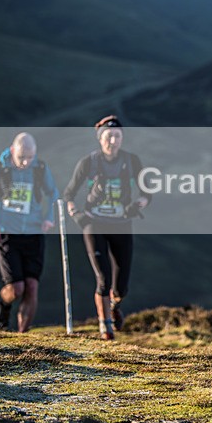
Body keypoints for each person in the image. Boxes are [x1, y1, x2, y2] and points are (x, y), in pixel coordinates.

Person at [63, 115, 150, 340]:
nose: (113, 141)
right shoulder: (88, 163)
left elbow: (147, 191)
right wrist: (78, 216)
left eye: (117, 136)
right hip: (94, 224)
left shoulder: (132, 161)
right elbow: (69, 194)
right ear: (100, 139)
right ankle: (106, 327)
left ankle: (115, 305)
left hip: (122, 224)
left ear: (122, 138)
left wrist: (138, 204)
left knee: (121, 285)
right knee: (103, 278)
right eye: (109, 136)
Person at [0, 132, 60, 332]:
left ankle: (23, 336)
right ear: (12, 151)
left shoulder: (39, 169)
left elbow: (53, 193)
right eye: (21, 157)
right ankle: (3, 310)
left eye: (30, 158)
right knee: (16, 288)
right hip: (8, 234)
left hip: (34, 233)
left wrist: (49, 217)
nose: (25, 162)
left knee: (32, 286)